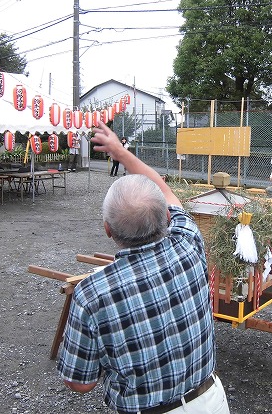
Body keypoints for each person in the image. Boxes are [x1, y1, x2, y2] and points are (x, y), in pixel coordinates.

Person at [57, 123, 230, 414]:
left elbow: (79, 383)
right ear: (166, 215)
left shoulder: (92, 294)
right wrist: (120, 152)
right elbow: (163, 189)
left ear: (107, 229)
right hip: (211, 400)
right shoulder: (189, 241)